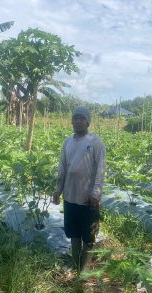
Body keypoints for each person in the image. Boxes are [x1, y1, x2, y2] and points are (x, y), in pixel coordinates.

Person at [53, 106, 106, 271]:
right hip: (70, 197)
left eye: (81, 118)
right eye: (75, 118)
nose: (77, 121)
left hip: (88, 199)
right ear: (71, 121)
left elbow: (101, 169)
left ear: (88, 121)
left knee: (89, 237)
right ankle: (76, 265)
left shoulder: (95, 142)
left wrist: (96, 193)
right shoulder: (67, 142)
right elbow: (62, 167)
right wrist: (58, 189)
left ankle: (84, 269)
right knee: (74, 233)